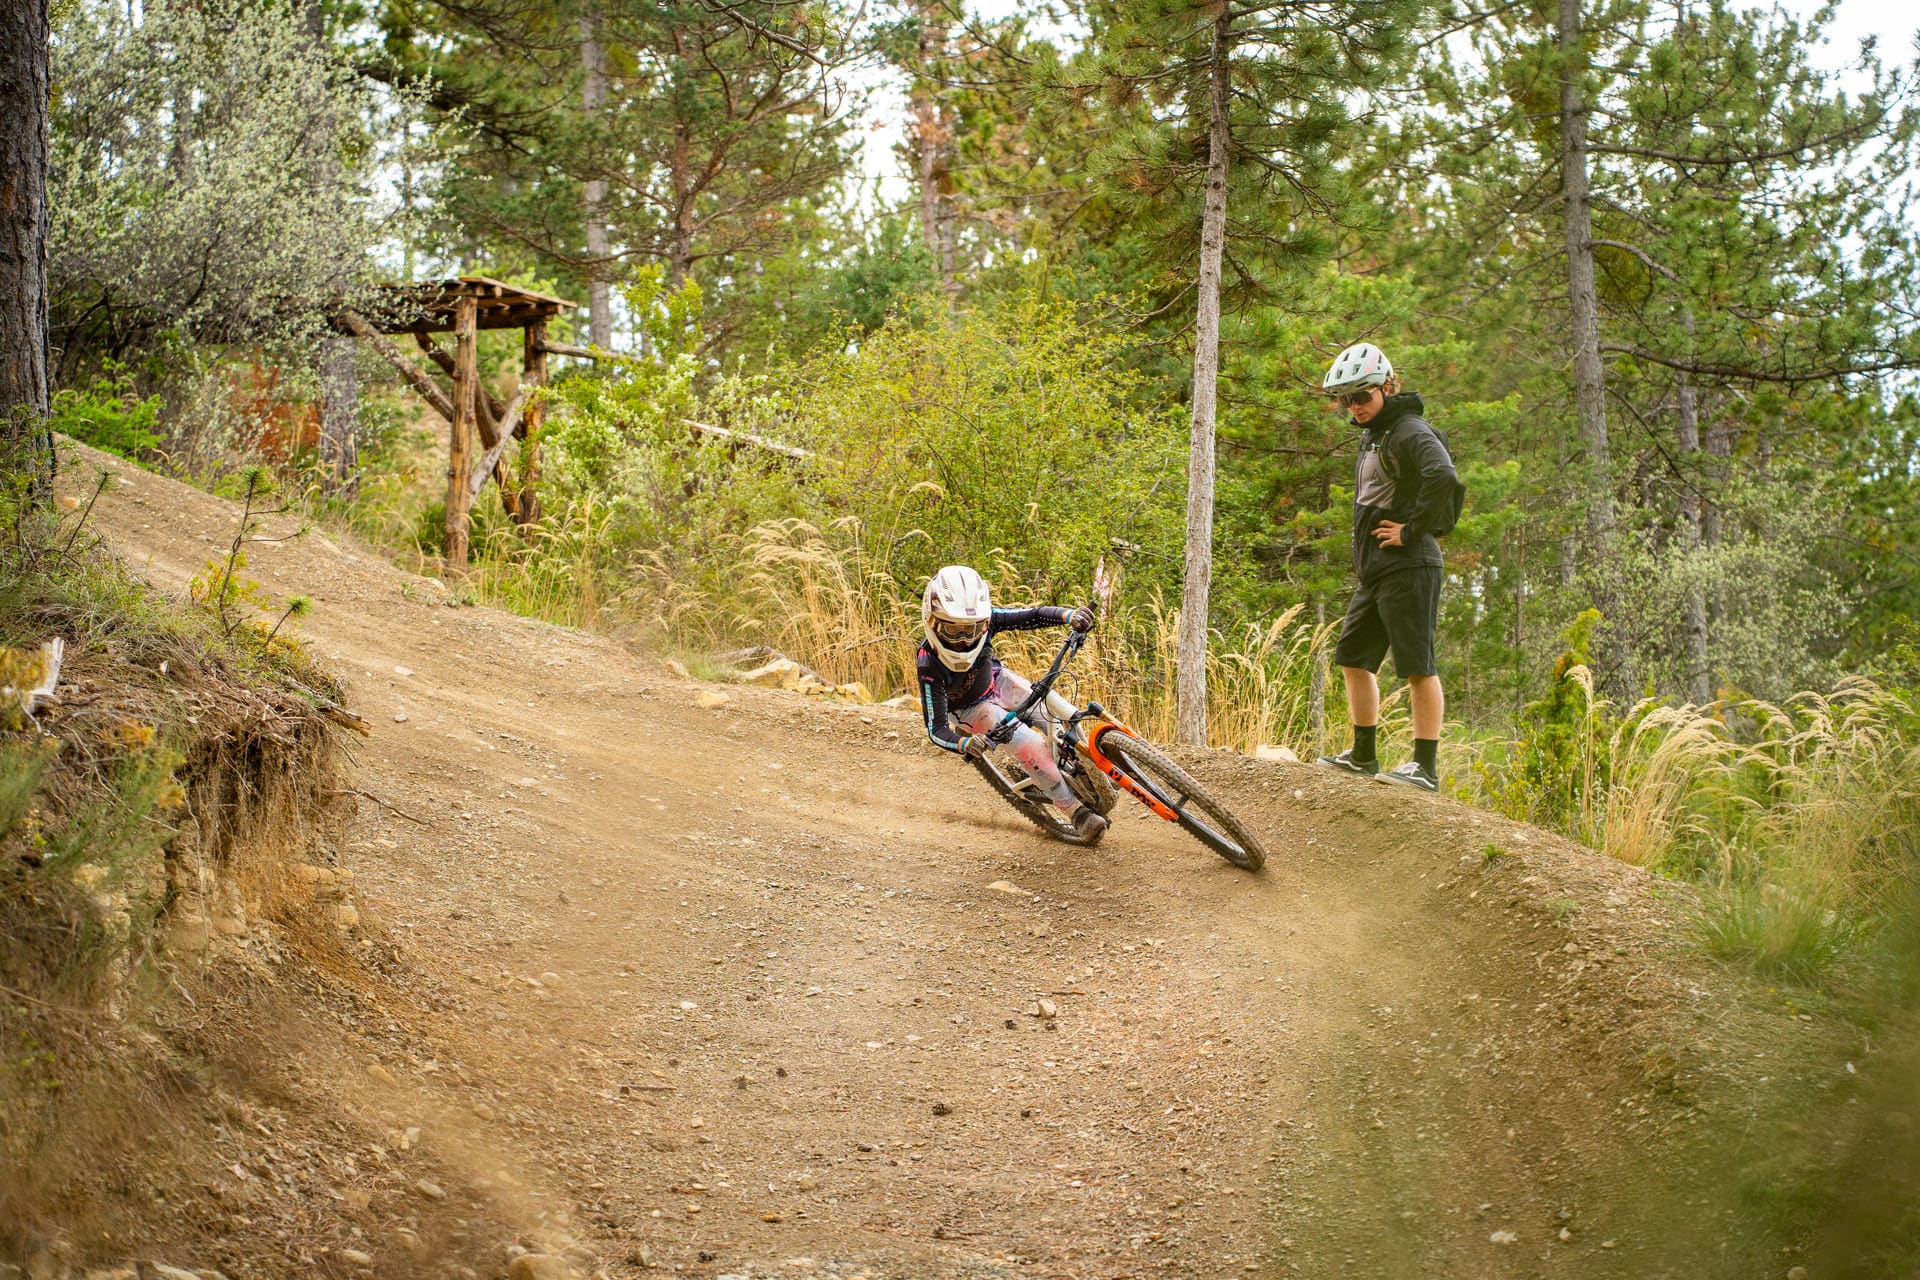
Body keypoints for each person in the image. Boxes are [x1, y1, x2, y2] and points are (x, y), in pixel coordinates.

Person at [1314, 342, 1457, 793]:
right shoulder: (1377, 433)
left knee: (1418, 664)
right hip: (1378, 572)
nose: (1354, 406)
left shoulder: (1409, 429)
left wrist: (1411, 531)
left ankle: (1425, 767)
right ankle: (1362, 755)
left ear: (1388, 387)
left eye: (1363, 395)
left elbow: (1444, 476)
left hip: (1411, 565)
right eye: (1346, 399)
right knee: (1354, 658)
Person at [917, 565, 1108, 839]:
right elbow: (935, 729)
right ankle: (1076, 813)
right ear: (932, 620)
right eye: (953, 631)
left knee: (1059, 712)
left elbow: (1032, 616)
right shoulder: (928, 663)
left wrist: (1070, 616)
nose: (963, 640)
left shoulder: (991, 618)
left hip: (997, 679)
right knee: (1032, 746)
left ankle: (1085, 766)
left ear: (983, 621)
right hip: (971, 709)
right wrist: (965, 743)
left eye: (972, 630)